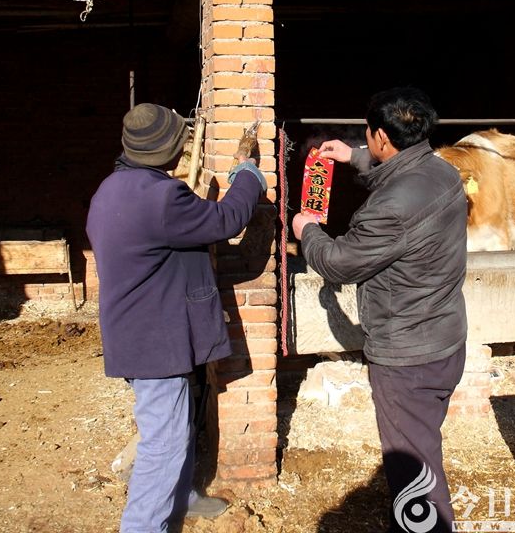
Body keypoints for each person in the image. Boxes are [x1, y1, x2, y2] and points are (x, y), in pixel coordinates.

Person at [292, 87, 468, 533]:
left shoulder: (389, 210)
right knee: (423, 445)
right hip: (445, 339)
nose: (367, 140)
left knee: (415, 474)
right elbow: (403, 175)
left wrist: (307, 230)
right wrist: (353, 155)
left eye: (368, 135)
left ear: (382, 137)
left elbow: (339, 263)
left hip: (407, 357)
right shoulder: (443, 172)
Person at [86, 103, 266, 532]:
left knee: (175, 426)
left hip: (138, 331)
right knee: (163, 444)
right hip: (156, 340)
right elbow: (226, 219)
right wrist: (247, 173)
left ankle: (181, 496)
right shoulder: (162, 197)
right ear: (168, 149)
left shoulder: (110, 188)